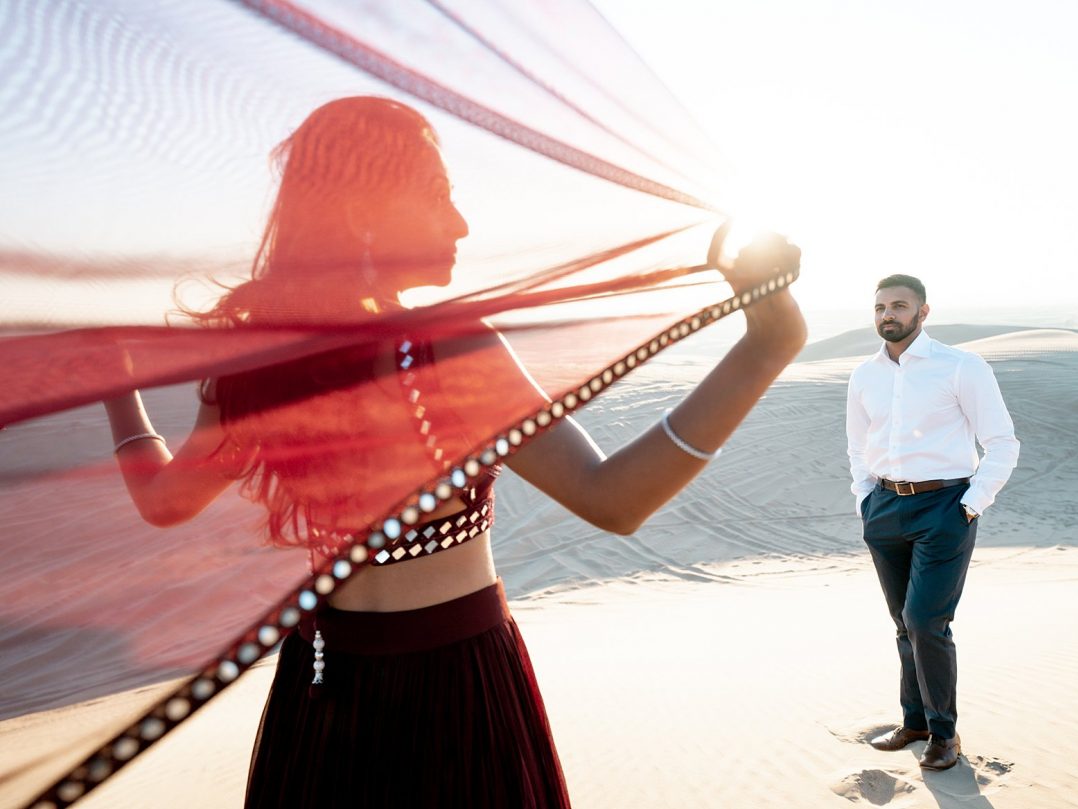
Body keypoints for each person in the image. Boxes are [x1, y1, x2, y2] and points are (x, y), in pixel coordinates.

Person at [103, 96, 806, 807]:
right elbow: (614, 498)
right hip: (456, 695)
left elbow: (163, 501)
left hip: (320, 696)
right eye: (436, 194)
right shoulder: (442, 347)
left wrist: (117, 387)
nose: (460, 222)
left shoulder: (258, 366)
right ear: (362, 211)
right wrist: (768, 346)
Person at [846, 274, 1018, 771]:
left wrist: (971, 504)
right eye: (880, 307)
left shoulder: (961, 366)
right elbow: (857, 445)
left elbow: (1003, 442)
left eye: (899, 306)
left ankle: (945, 733)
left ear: (923, 312)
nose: (887, 315)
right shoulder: (865, 374)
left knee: (927, 621)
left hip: (944, 507)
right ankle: (915, 721)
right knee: (904, 624)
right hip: (883, 507)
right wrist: (864, 498)